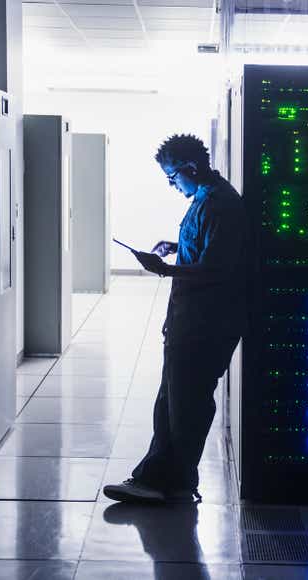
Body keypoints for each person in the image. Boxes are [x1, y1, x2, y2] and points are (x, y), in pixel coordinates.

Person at [103, 134, 246, 503]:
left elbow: (218, 268)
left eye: (172, 177)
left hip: (207, 323)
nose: (171, 184)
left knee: (188, 404)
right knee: (171, 400)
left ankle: (175, 483)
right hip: (190, 319)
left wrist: (164, 269)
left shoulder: (222, 205)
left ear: (191, 168)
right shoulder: (204, 200)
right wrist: (176, 247)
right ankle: (155, 478)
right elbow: (204, 249)